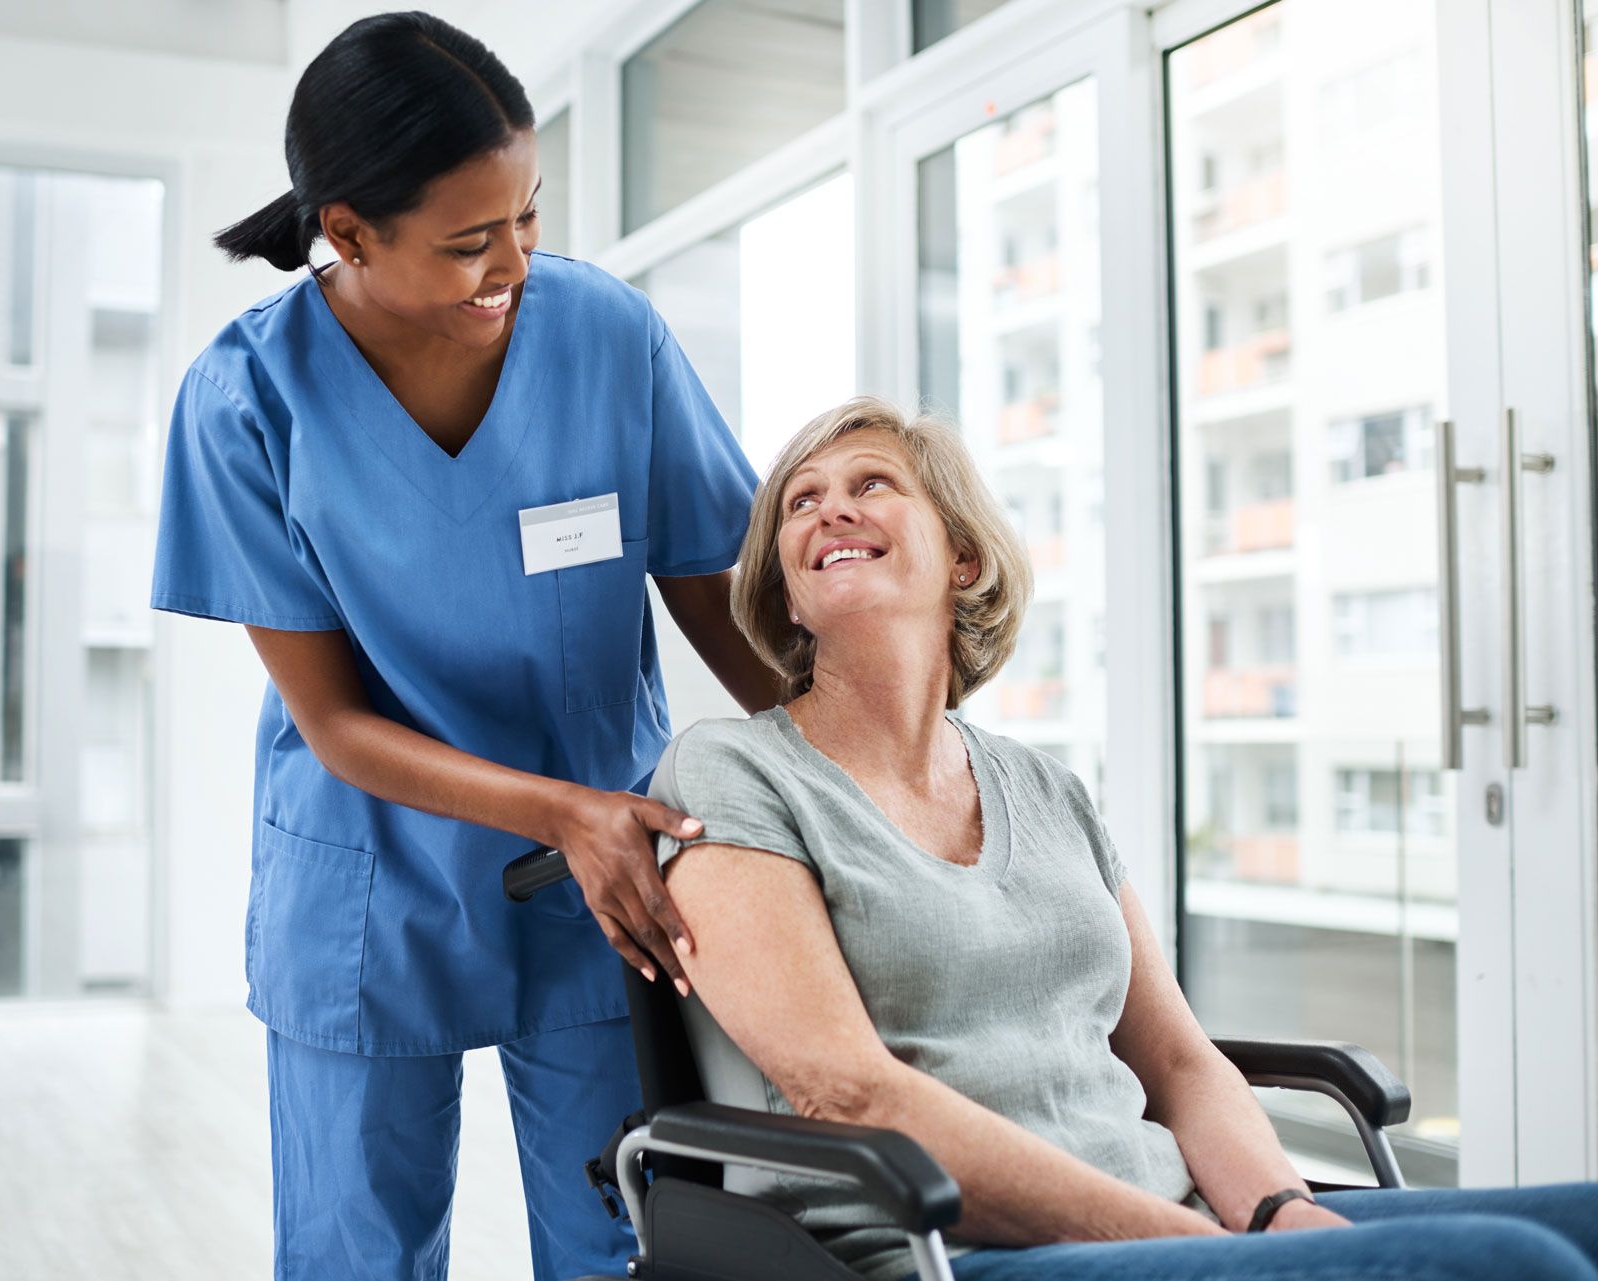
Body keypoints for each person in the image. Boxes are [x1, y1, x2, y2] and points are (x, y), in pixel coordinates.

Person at [646, 396, 1598, 1281]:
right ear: (790, 594)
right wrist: (1197, 1244)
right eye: (801, 505)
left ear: (964, 560)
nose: (828, 512)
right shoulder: (735, 773)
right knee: (1512, 1264)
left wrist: (1276, 1214)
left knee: (1576, 1225)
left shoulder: (1050, 791)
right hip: (947, 1245)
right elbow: (849, 1091)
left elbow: (1181, 1063)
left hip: (1174, 1216)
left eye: (871, 485)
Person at [148, 13, 779, 1279]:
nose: (513, 265)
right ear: (346, 233)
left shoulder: (607, 337)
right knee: (357, 1255)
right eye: (467, 242)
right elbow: (331, 721)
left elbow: (728, 605)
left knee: (632, 1244)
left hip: (609, 881)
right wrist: (564, 812)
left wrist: (862, 778)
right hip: (370, 885)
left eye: (529, 218)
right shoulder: (245, 401)